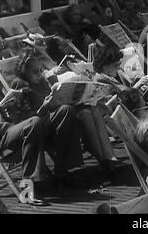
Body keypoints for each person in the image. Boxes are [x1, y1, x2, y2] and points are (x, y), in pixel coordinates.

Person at [9, 51, 121, 182]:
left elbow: (54, 98)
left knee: (92, 111)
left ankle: (108, 158)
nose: (40, 74)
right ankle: (103, 161)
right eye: (35, 72)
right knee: (72, 111)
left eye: (41, 70)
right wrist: (45, 107)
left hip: (58, 116)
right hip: (41, 123)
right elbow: (23, 119)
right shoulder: (20, 84)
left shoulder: (42, 81)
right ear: (24, 71)